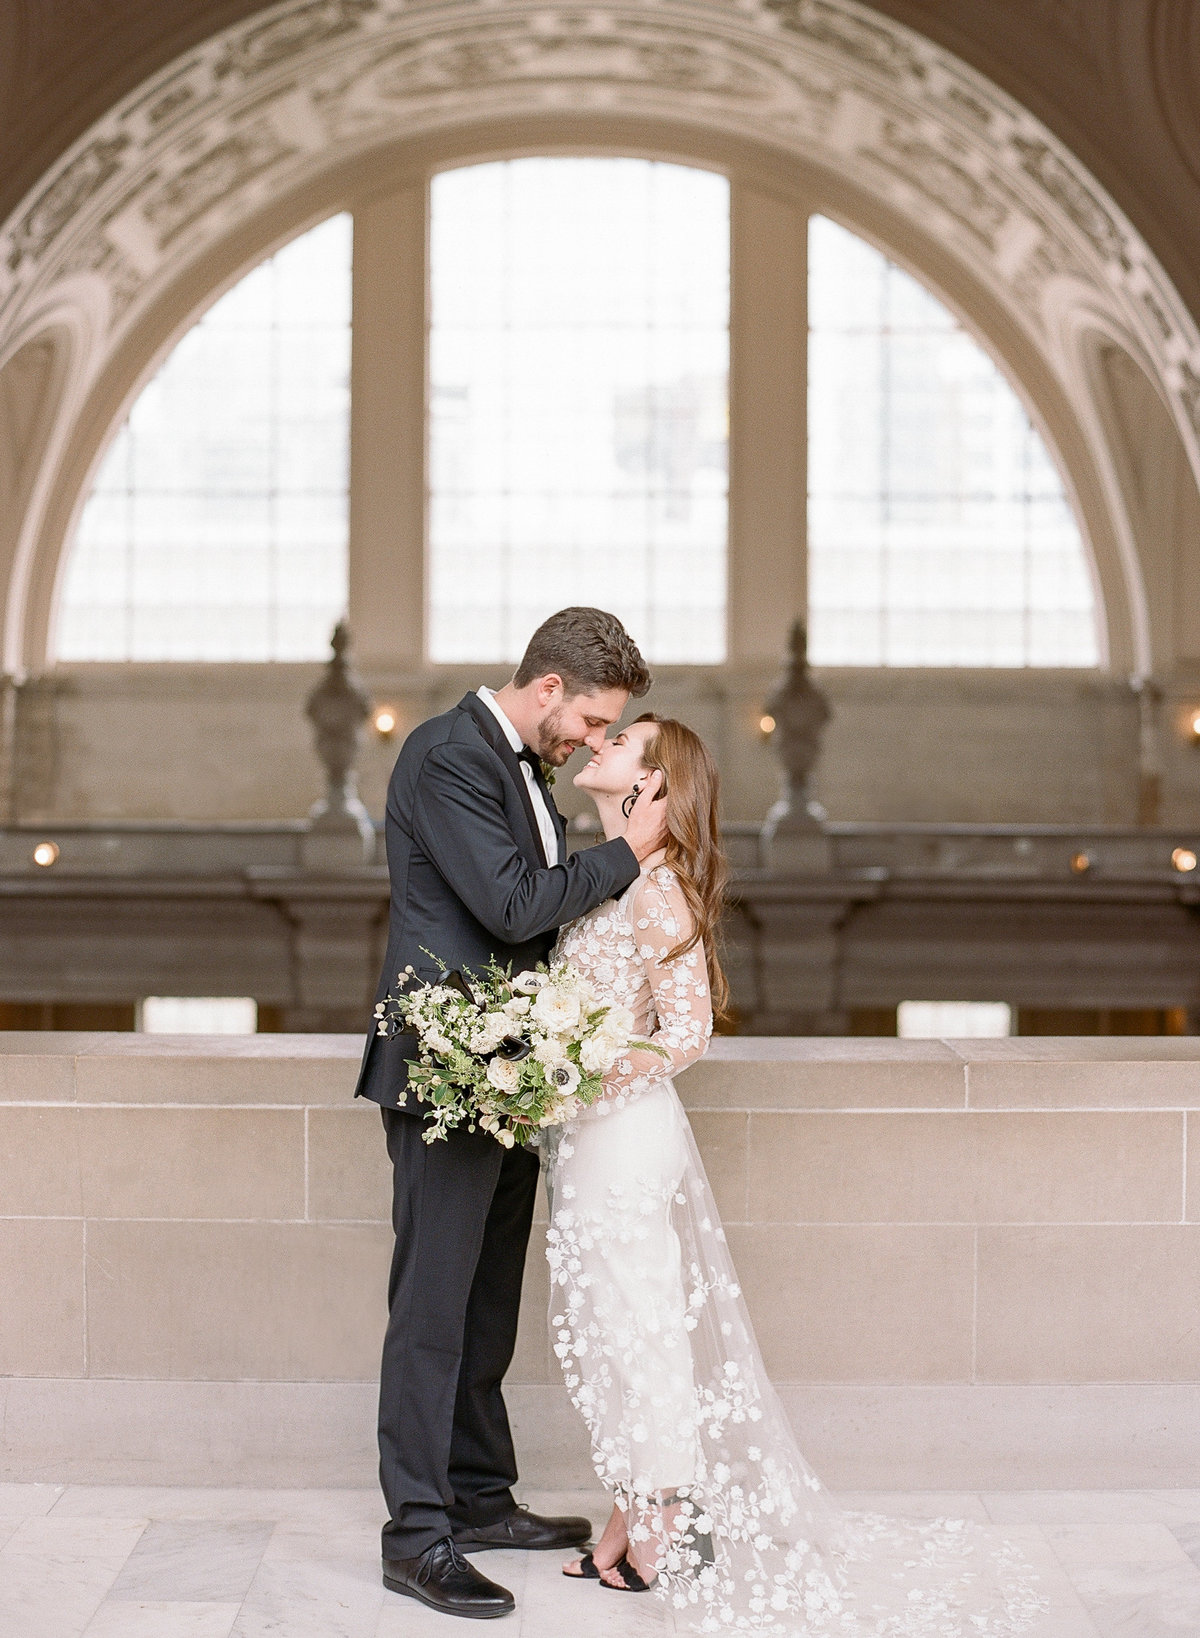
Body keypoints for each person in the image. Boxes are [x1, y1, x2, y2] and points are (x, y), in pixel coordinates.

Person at [548, 714, 1044, 1634]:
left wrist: (571, 1064)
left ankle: (658, 1525)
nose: (600, 742)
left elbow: (686, 1037)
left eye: (621, 741)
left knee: (640, 1324)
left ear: (654, 782)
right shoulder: (607, 882)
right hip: (585, 1137)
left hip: (624, 1134)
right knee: (608, 1326)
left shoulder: (657, 894)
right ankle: (626, 1509)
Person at [354, 607, 669, 1620]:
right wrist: (630, 853)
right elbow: (511, 906)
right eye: (590, 719)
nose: (590, 740)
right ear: (547, 691)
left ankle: (480, 1498)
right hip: (445, 1074)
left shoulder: (526, 767)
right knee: (432, 1311)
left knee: (487, 1302)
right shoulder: (447, 756)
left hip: (511, 1074)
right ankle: (416, 1535)